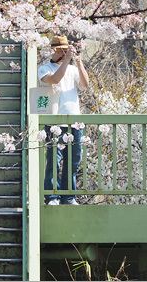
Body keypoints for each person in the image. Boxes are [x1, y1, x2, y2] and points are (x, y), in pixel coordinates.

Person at [38, 34, 90, 205]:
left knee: (73, 160)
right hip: (54, 122)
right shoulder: (45, 68)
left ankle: (69, 196)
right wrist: (67, 60)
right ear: (54, 49)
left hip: (74, 121)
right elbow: (55, 79)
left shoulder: (73, 69)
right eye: (62, 48)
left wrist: (79, 61)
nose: (65, 51)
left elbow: (85, 84)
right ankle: (52, 196)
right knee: (54, 160)